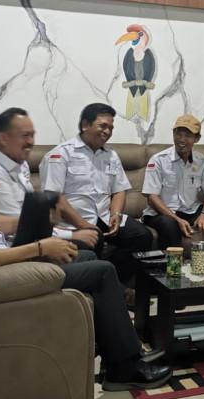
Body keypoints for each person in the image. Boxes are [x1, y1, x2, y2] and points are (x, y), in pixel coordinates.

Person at [0, 115, 172, 391]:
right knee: (102, 271)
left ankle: (115, 348)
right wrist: (41, 247)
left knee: (87, 257)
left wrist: (36, 225)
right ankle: (123, 368)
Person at [39, 103, 153, 283]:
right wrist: (84, 225)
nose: (107, 131)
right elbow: (55, 198)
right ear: (85, 125)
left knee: (142, 235)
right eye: (103, 126)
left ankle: (115, 281)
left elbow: (119, 190)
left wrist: (116, 215)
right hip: (72, 221)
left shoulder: (111, 155)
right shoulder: (60, 155)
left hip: (104, 216)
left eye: (111, 128)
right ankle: (104, 284)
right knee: (93, 238)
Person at [0, 107, 99, 250]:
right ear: (3, 138)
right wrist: (72, 235)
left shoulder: (20, 163)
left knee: (93, 242)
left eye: (32, 135)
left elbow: (31, 218)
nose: (31, 141)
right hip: (9, 248)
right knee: (90, 250)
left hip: (30, 240)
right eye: (25, 136)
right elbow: (21, 225)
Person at [141, 114, 204, 249]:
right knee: (169, 224)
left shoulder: (202, 161)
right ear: (173, 134)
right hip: (161, 213)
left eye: (188, 136)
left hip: (191, 211)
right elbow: (152, 197)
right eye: (179, 134)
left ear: (197, 138)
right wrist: (177, 219)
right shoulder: (158, 160)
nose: (182, 140)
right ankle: (172, 262)